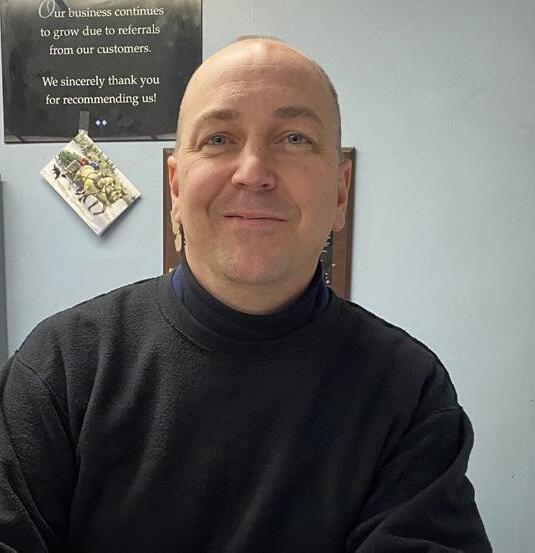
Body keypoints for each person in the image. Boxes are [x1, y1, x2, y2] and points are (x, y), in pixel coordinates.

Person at [0, 37, 491, 552]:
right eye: (218, 139)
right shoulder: (61, 368)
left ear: (340, 191)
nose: (254, 172)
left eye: (295, 138)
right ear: (176, 187)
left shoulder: (408, 390)